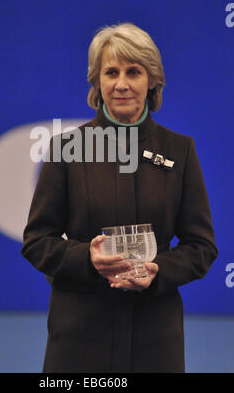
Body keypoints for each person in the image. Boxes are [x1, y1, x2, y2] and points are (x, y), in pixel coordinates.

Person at [21, 22, 218, 373]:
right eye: (111, 72)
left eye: (134, 71)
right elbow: (37, 242)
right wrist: (88, 260)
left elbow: (201, 247)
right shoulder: (67, 148)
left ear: (152, 80)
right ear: (97, 81)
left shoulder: (180, 150)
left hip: (155, 337)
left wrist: (158, 271)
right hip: (78, 335)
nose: (122, 84)